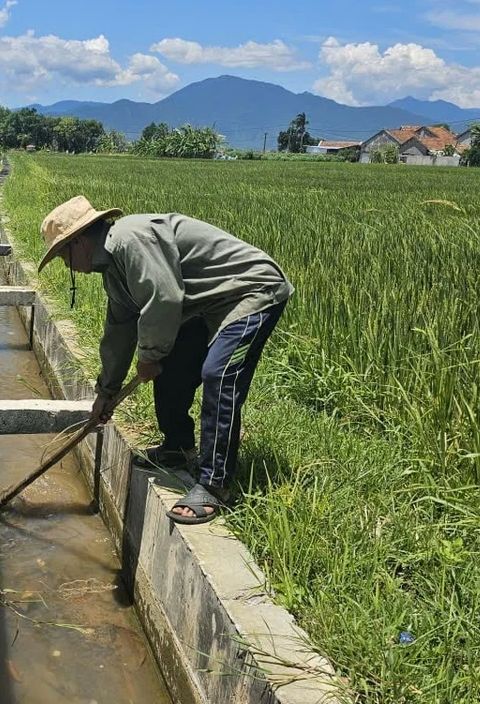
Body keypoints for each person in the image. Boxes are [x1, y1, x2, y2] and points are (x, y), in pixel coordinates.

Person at [37, 195, 293, 524]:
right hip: (207, 304)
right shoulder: (113, 270)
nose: (65, 263)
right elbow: (119, 330)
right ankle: (178, 446)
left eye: (62, 254)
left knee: (219, 374)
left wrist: (149, 357)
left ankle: (215, 485)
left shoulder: (130, 241)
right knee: (171, 367)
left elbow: (164, 300)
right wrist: (107, 391)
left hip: (251, 291)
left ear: (79, 241)